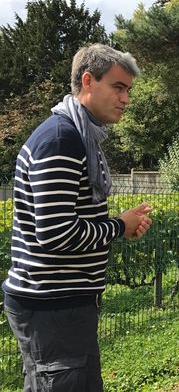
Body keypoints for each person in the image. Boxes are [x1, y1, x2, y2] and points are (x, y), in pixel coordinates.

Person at [2, 43, 152, 391]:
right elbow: (55, 234)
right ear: (88, 80)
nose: (126, 99)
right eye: (118, 87)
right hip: (52, 306)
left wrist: (118, 227)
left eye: (128, 90)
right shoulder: (62, 139)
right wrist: (118, 226)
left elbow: (68, 219)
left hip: (63, 303)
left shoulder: (79, 135)